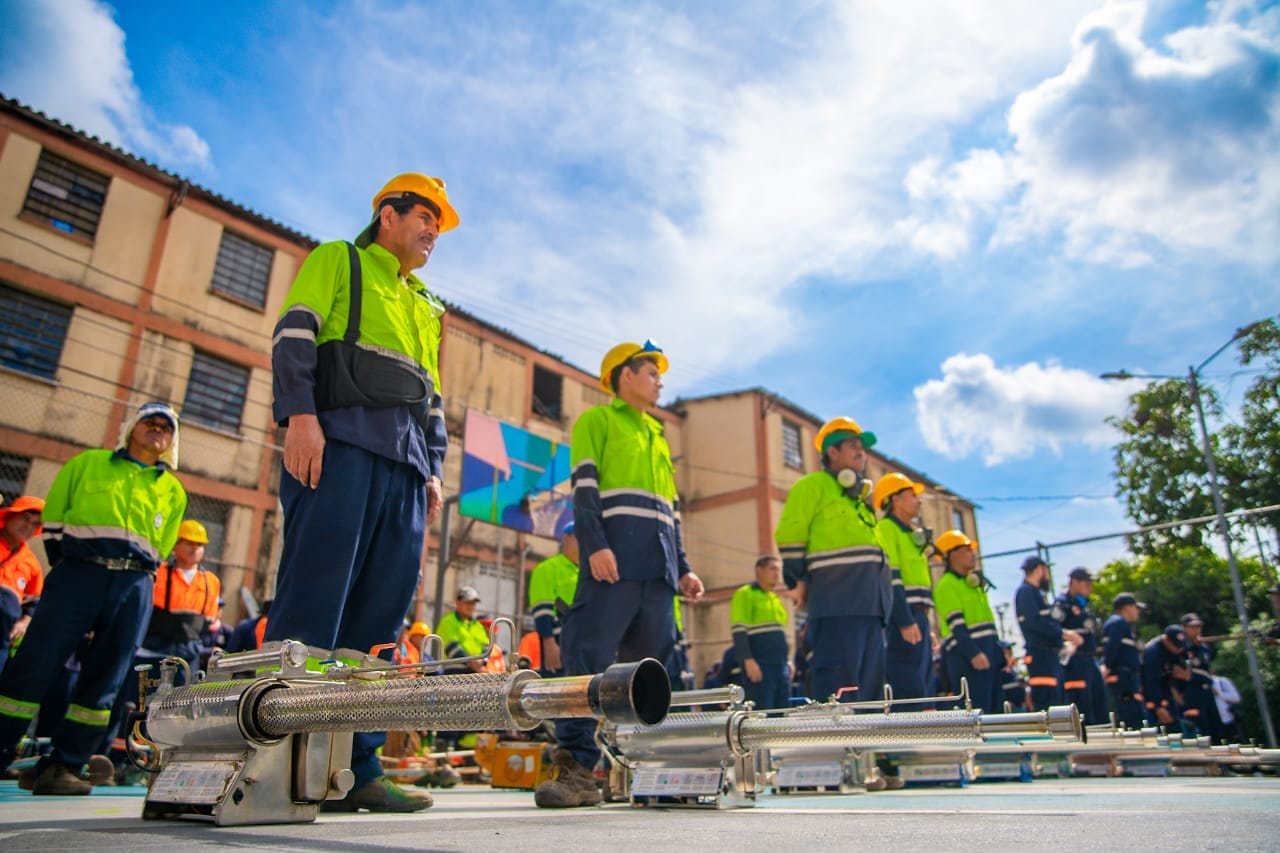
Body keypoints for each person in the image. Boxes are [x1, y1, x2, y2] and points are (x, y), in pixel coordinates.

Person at [267, 173, 458, 813]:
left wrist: (432, 468)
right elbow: (295, 335)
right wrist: (300, 416)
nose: (434, 230)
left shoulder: (427, 305)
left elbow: (431, 398)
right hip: (339, 446)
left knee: (377, 626)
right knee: (314, 603)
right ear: (388, 215)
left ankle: (356, 768)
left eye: (439, 222)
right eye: (425, 216)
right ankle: (280, 755)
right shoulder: (339, 259)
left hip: (404, 469)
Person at [533, 340, 704, 809]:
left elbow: (671, 512)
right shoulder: (597, 421)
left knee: (651, 675)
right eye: (651, 372)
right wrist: (597, 545)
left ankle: (646, 771)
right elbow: (584, 489)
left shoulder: (658, 436)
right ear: (623, 375)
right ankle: (575, 770)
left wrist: (684, 569)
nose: (659, 381)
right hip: (614, 564)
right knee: (587, 656)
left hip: (658, 574)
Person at [0, 401, 186, 795]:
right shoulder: (88, 464)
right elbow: (54, 521)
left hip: (135, 585)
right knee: (35, 662)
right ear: (131, 428)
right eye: (149, 422)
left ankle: (65, 766)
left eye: (165, 427)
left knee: (107, 678)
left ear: (172, 441)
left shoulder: (173, 491)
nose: (157, 430)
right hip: (79, 575)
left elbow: (162, 546)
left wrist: (136, 580)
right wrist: (69, 572)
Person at [775, 417, 890, 704]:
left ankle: (869, 748)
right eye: (853, 445)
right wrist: (797, 580)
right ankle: (837, 749)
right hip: (837, 605)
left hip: (872, 610)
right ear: (831, 452)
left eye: (863, 448)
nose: (861, 453)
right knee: (840, 688)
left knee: (871, 691)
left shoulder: (859, 501)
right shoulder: (812, 486)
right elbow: (790, 534)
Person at [873, 473, 933, 704]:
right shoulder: (887, 528)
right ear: (895, 499)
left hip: (918, 615)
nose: (918, 501)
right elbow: (892, 579)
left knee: (924, 679)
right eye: (912, 496)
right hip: (903, 615)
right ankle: (910, 734)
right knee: (909, 680)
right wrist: (905, 620)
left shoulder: (910, 535)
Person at [932, 530, 1002, 714]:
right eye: (967, 549)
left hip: (988, 653)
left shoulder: (972, 584)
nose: (973, 554)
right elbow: (957, 627)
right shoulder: (947, 585)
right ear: (952, 554)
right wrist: (974, 653)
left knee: (995, 711)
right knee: (977, 711)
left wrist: (998, 652)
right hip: (967, 657)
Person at [1015, 556, 1082, 711]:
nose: (1048, 576)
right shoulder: (1025, 592)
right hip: (1040, 657)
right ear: (1039, 570)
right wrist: (1065, 634)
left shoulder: (1036, 593)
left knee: (1058, 704)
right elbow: (1036, 623)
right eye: (1047, 571)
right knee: (1048, 705)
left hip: (1050, 657)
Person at [730, 556, 790, 710]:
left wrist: (788, 661)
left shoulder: (775, 598)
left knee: (782, 712)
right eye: (772, 569)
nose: (777, 573)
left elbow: (780, 635)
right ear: (759, 571)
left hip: (780, 666)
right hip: (760, 665)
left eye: (778, 570)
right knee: (762, 712)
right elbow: (739, 631)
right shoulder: (745, 593)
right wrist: (747, 660)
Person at [1055, 567, 1107, 725]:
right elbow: (1054, 628)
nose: (1090, 588)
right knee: (1082, 703)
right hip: (1075, 662)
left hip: (1090, 660)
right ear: (1074, 582)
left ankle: (1102, 737)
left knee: (1099, 701)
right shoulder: (1062, 604)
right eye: (1086, 583)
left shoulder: (1085, 605)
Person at [0, 496, 45, 674]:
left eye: (35, 524)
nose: (29, 527)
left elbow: (34, 602)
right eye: (25, 519)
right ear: (9, 516)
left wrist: (24, 623)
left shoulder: (32, 564)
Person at [527, 523, 579, 675]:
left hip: (586, 643)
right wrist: (549, 642)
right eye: (579, 536)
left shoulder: (589, 572)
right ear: (566, 538)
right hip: (559, 642)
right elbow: (542, 610)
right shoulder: (547, 569)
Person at [1102, 592, 1146, 730]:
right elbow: (1112, 647)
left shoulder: (1121, 624)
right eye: (1135, 607)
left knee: (1134, 714)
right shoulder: (1117, 623)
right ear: (1126, 607)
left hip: (1127, 679)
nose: (1137, 611)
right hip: (1122, 680)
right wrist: (1108, 667)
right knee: (1129, 717)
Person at [1179, 613, 1224, 742]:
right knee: (1200, 728)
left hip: (1207, 691)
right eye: (1192, 627)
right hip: (1191, 692)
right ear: (1184, 628)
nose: (1196, 630)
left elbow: (1207, 668)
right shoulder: (1182, 648)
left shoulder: (1204, 647)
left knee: (1215, 726)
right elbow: (1182, 673)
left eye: (1198, 626)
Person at [1141, 625, 1191, 730]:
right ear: (1166, 640)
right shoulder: (1153, 653)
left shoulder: (1178, 648)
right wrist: (1158, 707)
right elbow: (1150, 683)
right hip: (1152, 695)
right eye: (1176, 646)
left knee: (1177, 724)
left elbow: (1183, 666)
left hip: (1168, 689)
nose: (1179, 649)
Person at [437, 587, 489, 672]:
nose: (471, 606)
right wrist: (472, 663)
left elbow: (486, 647)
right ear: (457, 603)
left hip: (477, 672)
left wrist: (481, 662)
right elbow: (451, 648)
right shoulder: (447, 621)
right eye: (468, 603)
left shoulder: (478, 625)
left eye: (473, 604)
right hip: (455, 672)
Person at [998, 640, 1029, 711]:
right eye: (1006, 652)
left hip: (1020, 707)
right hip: (1008, 708)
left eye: (1010, 652)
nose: (1010, 655)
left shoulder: (1013, 671)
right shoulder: (999, 672)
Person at [1212, 674, 1243, 743]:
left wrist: (1219, 694)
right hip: (1212, 724)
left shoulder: (1221, 681)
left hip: (1228, 720)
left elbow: (1236, 698)